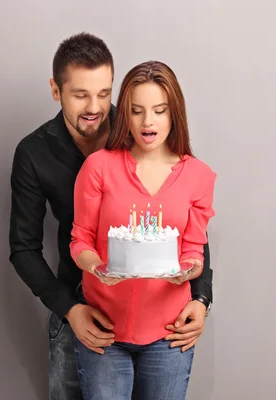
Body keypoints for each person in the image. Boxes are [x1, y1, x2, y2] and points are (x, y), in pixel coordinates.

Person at [8, 33, 214, 400]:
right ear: (56, 90)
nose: (95, 106)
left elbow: (183, 226)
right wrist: (71, 311)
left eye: (104, 93)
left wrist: (201, 297)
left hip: (158, 316)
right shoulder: (34, 153)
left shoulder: (142, 125)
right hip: (77, 305)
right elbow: (24, 248)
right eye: (80, 95)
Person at [69, 60, 217, 400]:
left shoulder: (198, 175)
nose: (147, 122)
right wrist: (98, 268)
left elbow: (194, 250)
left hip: (169, 333)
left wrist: (190, 273)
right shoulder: (99, 167)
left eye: (159, 110)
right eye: (137, 111)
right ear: (125, 115)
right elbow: (81, 241)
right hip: (104, 330)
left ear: (174, 114)